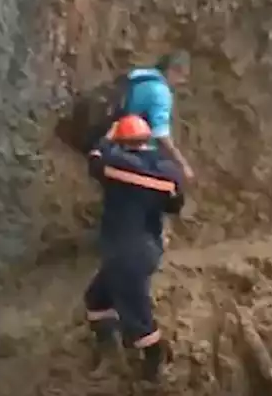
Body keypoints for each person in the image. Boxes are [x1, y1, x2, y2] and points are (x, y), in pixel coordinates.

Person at [83, 114, 186, 383]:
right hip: (149, 246)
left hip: (126, 252)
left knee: (136, 316)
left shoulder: (116, 165)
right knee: (97, 298)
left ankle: (155, 365)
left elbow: (95, 160)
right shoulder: (168, 170)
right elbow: (175, 205)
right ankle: (112, 353)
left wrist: (106, 136)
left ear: (122, 142)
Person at [122, 51, 195, 180]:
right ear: (173, 70)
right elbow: (161, 135)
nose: (182, 82)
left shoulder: (140, 78)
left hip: (113, 137)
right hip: (130, 149)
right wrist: (183, 165)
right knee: (171, 175)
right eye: (183, 76)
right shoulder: (161, 92)